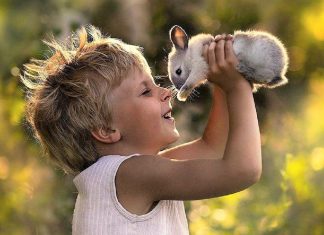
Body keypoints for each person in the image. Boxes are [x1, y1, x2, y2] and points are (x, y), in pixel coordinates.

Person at [21, 25, 262, 235]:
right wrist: (237, 87)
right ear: (106, 129)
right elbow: (243, 170)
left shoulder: (135, 173)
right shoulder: (131, 175)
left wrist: (219, 80)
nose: (166, 92)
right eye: (145, 91)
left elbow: (214, 148)